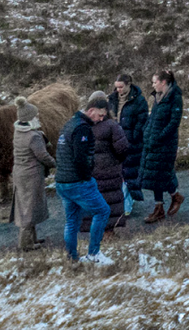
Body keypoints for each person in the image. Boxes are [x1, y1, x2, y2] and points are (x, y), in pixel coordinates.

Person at [55, 92, 114, 264]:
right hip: (77, 182)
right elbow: (80, 158)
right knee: (102, 211)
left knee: (72, 220)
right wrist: (87, 177)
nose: (102, 119)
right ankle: (94, 254)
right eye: (101, 115)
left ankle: (72, 257)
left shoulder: (70, 123)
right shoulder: (83, 128)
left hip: (62, 182)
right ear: (92, 110)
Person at [10, 97, 55, 252]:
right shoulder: (33, 136)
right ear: (30, 118)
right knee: (29, 209)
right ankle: (25, 243)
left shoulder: (18, 132)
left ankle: (32, 238)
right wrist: (55, 163)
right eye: (35, 116)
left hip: (20, 174)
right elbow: (42, 156)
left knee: (26, 206)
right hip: (31, 175)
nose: (37, 117)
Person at [139, 71, 184, 223]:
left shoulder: (175, 98)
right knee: (153, 174)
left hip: (165, 143)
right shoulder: (157, 98)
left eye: (154, 82)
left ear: (163, 82)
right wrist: (146, 132)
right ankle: (162, 205)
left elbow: (174, 122)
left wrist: (160, 137)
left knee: (161, 172)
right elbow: (152, 118)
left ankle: (173, 197)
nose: (153, 85)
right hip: (152, 141)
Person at [91, 90, 132, 231]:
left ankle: (99, 230)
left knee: (97, 200)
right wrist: (116, 161)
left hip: (92, 172)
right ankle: (109, 231)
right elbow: (123, 147)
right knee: (112, 199)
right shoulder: (111, 125)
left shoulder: (84, 125)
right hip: (110, 170)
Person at [113, 74, 149, 215]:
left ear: (129, 85)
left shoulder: (139, 101)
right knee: (120, 174)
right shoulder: (112, 99)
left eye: (121, 87)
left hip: (131, 144)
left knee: (129, 174)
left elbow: (142, 121)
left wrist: (133, 138)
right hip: (116, 143)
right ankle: (125, 204)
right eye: (116, 87)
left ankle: (127, 205)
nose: (118, 90)